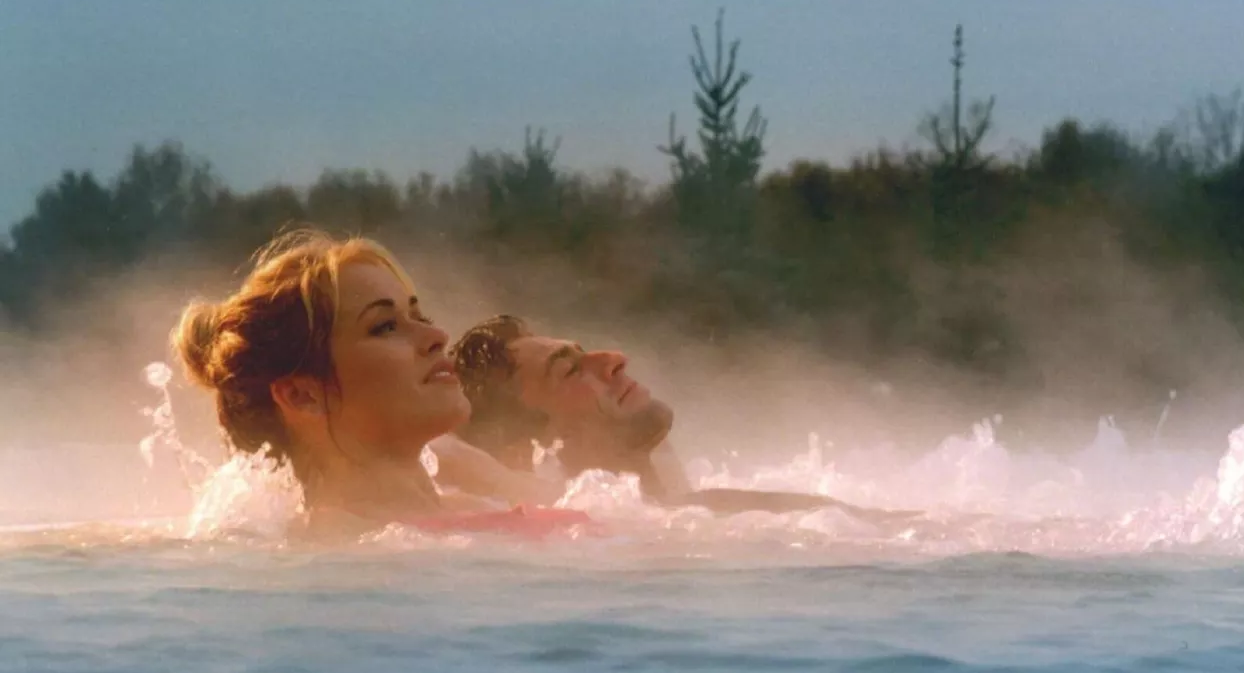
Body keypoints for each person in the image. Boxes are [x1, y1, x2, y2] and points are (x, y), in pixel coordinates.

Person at [171, 230, 584, 540]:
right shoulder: (340, 553)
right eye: (384, 326)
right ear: (303, 395)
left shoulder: (473, 506)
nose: (438, 334)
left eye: (418, 316)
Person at [435, 315, 890, 517]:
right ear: (526, 451)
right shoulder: (634, 529)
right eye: (571, 369)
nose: (613, 358)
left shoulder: (671, 511)